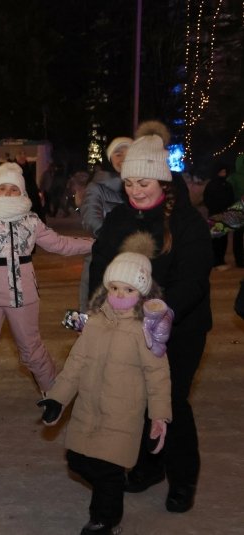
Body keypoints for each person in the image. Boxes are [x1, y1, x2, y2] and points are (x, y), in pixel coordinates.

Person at [89, 120, 212, 514]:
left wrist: (162, 312)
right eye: (129, 183)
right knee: (136, 400)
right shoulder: (119, 220)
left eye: (144, 182)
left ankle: (183, 477)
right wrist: (96, 311)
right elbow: (101, 269)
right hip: (126, 328)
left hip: (178, 329)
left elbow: (193, 279)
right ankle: (149, 465)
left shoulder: (185, 222)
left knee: (168, 400)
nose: (136, 190)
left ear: (162, 181)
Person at [39, 240, 172, 535]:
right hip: (88, 407)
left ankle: (104, 521)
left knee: (109, 470)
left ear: (142, 293)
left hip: (122, 413)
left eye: (129, 289)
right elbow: (76, 364)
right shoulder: (96, 322)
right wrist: (57, 399)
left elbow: (158, 376)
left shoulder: (145, 331)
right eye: (114, 288)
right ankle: (110, 493)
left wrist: (159, 417)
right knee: (77, 460)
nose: (120, 295)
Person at [0, 162, 93, 426]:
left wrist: (94, 244)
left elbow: (60, 243)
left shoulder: (30, 220)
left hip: (24, 295)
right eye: (2, 188)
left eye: (13, 189)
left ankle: (56, 398)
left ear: (22, 192)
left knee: (32, 350)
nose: (7, 193)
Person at [78, 136, 132, 310]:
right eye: (117, 154)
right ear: (109, 159)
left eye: (127, 153)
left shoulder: (140, 187)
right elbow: (91, 219)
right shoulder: (97, 187)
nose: (123, 158)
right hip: (104, 257)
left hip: (134, 261)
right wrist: (115, 242)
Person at [203, 164, 234, 270]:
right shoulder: (211, 185)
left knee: (223, 239)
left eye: (224, 172)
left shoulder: (227, 185)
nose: (223, 174)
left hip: (225, 214)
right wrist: (214, 210)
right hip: (215, 214)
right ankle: (214, 260)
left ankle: (220, 259)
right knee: (215, 239)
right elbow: (207, 199)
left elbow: (231, 198)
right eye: (221, 172)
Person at [15, 149, 46, 222]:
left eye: (24, 154)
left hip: (32, 197)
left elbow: (32, 183)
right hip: (20, 198)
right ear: (16, 156)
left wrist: (38, 192)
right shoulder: (14, 169)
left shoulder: (28, 167)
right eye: (20, 154)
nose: (22, 156)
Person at [226, 153, 244, 267]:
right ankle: (239, 259)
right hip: (238, 208)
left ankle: (240, 259)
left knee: (238, 235)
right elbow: (227, 193)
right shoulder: (233, 178)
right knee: (238, 235)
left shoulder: (232, 178)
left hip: (237, 207)